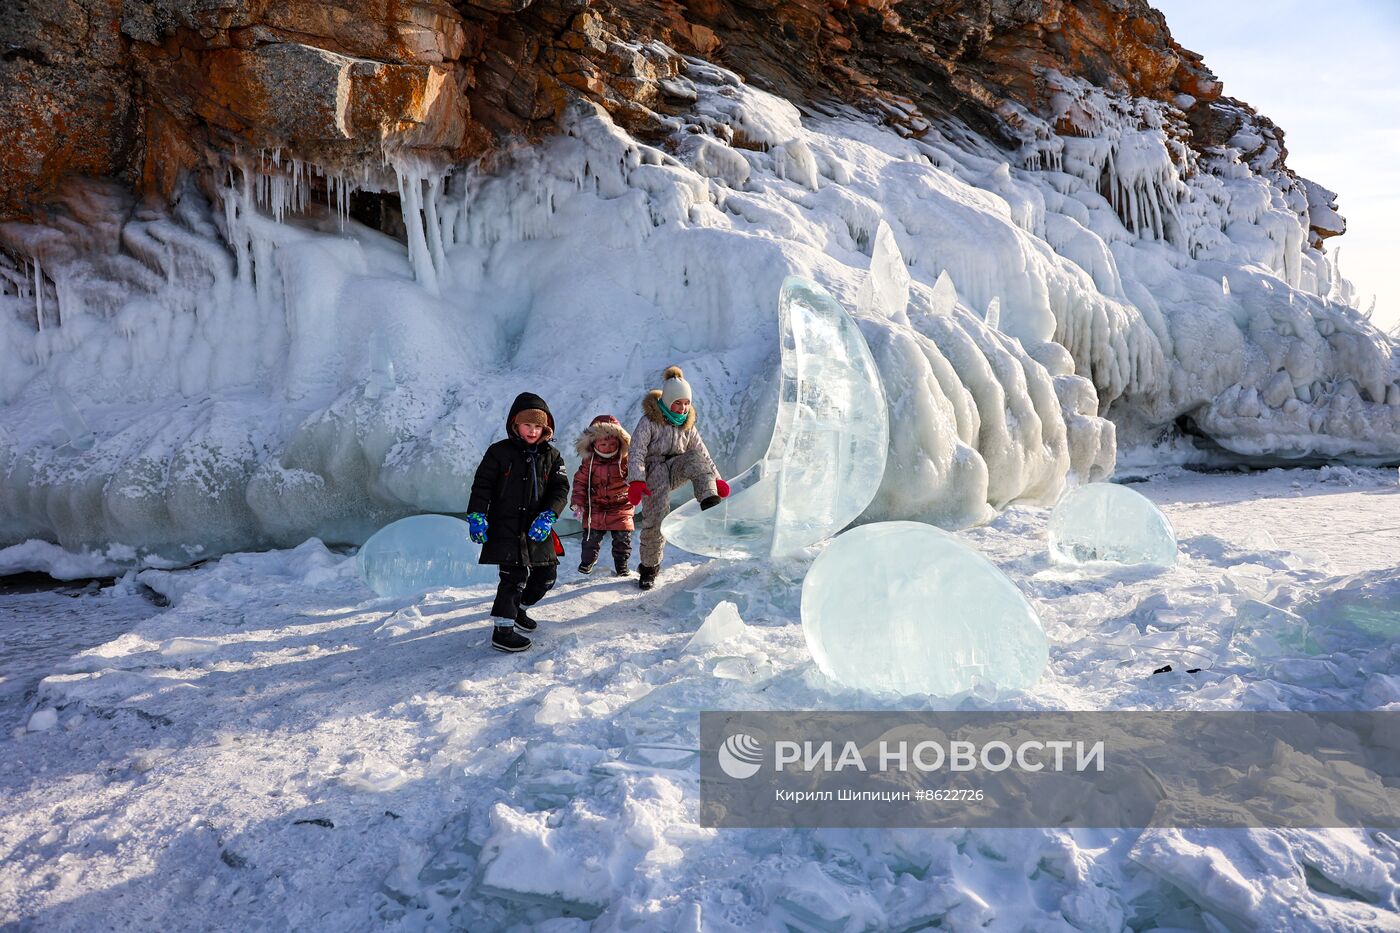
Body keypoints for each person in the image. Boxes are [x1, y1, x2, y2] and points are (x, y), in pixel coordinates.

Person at [466, 392, 569, 652]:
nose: (532, 431)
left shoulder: (553, 456)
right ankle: (503, 630)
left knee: (547, 575)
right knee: (514, 577)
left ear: (546, 428)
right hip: (506, 526)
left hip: (537, 527)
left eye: (538, 426)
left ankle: (519, 609)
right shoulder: (499, 452)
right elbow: (482, 486)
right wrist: (477, 514)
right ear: (515, 424)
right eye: (527, 425)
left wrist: (549, 515)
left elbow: (560, 489)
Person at [628, 366, 729, 591]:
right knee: (656, 518)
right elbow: (636, 451)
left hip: (676, 467)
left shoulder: (687, 424)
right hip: (654, 473)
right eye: (677, 403)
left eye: (686, 403)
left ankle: (708, 499)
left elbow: (702, 453)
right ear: (666, 401)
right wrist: (636, 480)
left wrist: (717, 480)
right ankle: (649, 568)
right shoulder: (649, 421)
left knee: (694, 456)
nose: (682, 408)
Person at [571, 414, 635, 576]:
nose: (608, 447)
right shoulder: (589, 462)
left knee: (622, 539)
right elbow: (580, 482)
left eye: (613, 443)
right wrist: (578, 501)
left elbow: (637, 476)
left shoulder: (625, 460)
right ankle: (587, 561)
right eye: (604, 444)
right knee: (590, 538)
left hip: (621, 505)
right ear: (594, 444)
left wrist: (637, 486)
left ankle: (622, 565)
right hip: (596, 505)